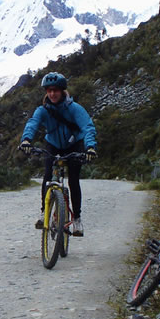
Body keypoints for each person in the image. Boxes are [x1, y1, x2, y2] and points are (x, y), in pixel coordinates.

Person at [19, 72, 98, 236]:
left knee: (74, 181)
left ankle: (77, 219)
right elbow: (33, 123)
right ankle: (44, 213)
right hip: (53, 145)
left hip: (73, 145)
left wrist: (90, 147)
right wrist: (26, 140)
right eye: (49, 90)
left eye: (55, 90)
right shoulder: (42, 110)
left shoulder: (74, 109)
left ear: (62, 91)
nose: (52, 93)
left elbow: (87, 127)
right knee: (48, 176)